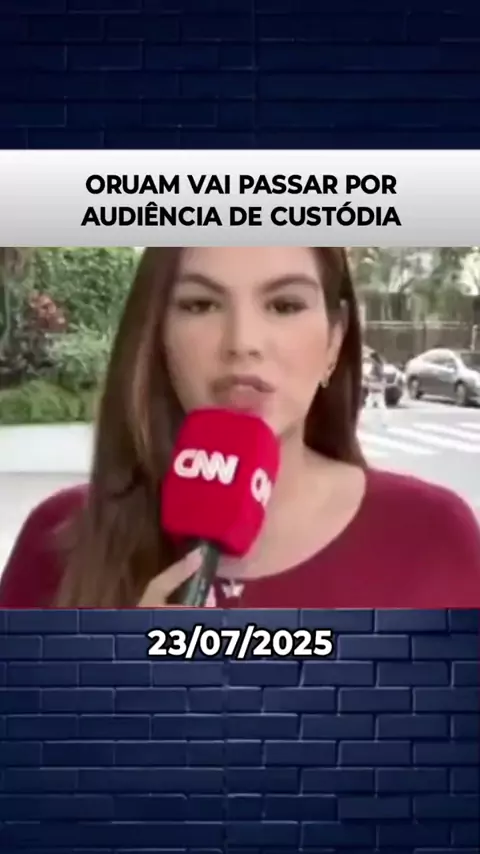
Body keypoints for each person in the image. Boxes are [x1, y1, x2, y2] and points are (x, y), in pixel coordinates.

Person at [1, 246, 480, 610]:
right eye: (200, 304)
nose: (242, 342)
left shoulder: (434, 537)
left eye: (285, 305)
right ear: (158, 335)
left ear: (335, 339)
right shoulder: (59, 540)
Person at [364, 350, 388, 427]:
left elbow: (380, 377)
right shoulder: (377, 365)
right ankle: (383, 421)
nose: (369, 360)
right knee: (371, 405)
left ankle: (383, 421)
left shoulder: (376, 366)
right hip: (374, 389)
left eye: (370, 358)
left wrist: (368, 377)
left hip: (375, 389)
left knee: (378, 406)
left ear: (373, 358)